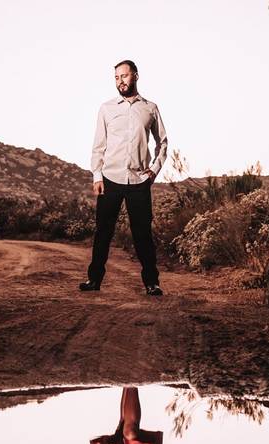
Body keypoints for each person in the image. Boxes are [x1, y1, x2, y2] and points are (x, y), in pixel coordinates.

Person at [80, 59, 168, 296]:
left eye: (125, 76)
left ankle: (152, 282)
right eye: (117, 77)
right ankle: (94, 279)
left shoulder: (150, 108)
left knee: (142, 234)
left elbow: (163, 143)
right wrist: (97, 176)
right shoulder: (106, 108)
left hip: (139, 181)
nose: (120, 81)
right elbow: (98, 146)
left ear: (136, 76)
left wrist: (154, 171)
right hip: (110, 178)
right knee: (103, 232)